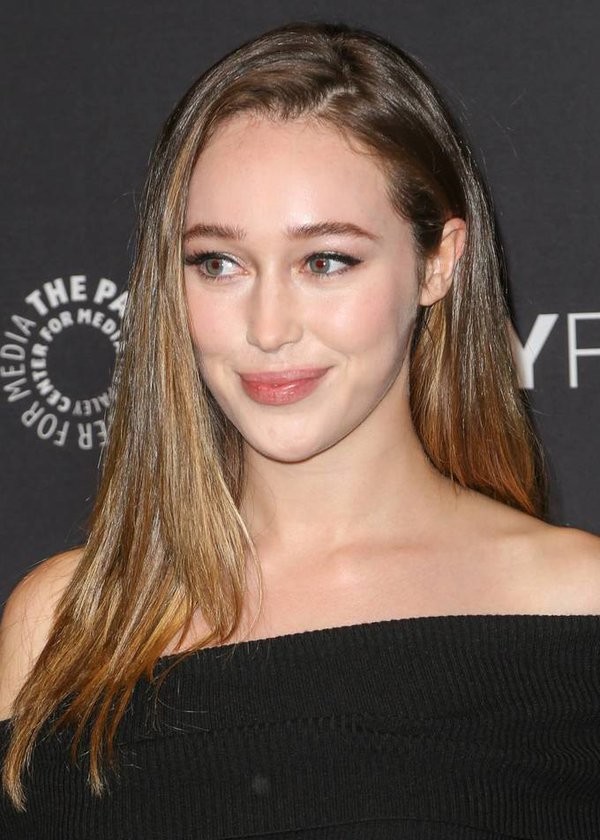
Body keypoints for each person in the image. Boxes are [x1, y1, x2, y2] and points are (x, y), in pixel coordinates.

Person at [1, 19, 599, 840]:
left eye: (325, 261)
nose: (268, 327)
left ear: (439, 262)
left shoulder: (577, 606)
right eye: (218, 263)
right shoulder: (66, 623)